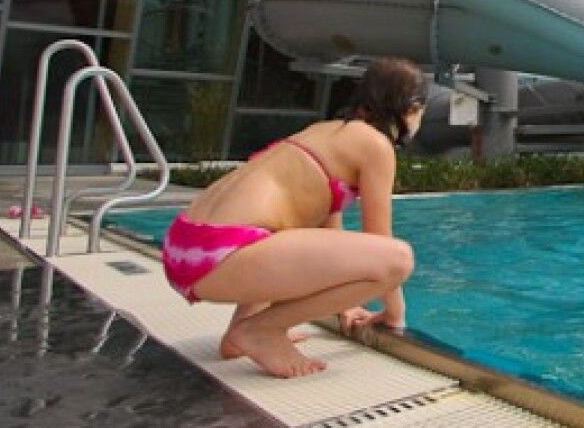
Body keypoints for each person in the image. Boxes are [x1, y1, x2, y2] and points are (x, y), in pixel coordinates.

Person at [161, 56, 426, 378]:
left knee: (280, 231)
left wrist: (344, 303)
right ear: (411, 107)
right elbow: (380, 241)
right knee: (399, 259)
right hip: (223, 254)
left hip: (182, 246)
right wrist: (394, 315)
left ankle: (240, 334)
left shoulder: (323, 132)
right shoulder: (376, 145)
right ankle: (259, 331)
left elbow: (326, 238)